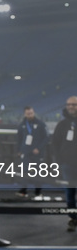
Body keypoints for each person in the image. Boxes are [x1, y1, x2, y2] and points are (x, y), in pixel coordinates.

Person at [52, 96, 77, 232]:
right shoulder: (62, 124)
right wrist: (59, 160)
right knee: (69, 194)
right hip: (68, 165)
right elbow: (55, 143)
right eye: (69, 104)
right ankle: (73, 218)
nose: (71, 107)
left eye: (74, 104)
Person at [16, 106, 49, 200]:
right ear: (24, 114)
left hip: (37, 153)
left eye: (31, 113)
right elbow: (18, 139)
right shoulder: (22, 125)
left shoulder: (41, 124)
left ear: (34, 112)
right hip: (25, 152)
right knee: (24, 172)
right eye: (27, 113)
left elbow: (46, 137)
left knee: (37, 173)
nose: (29, 115)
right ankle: (23, 191)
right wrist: (18, 150)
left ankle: (38, 192)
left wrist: (39, 148)